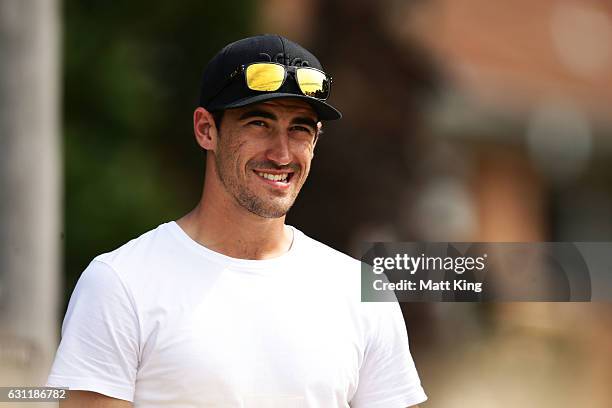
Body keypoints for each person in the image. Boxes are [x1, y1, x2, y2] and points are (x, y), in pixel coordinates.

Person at [47, 34, 427, 408]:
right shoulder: (121, 283)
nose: (281, 154)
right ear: (205, 129)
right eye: (259, 123)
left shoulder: (358, 290)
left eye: (300, 128)